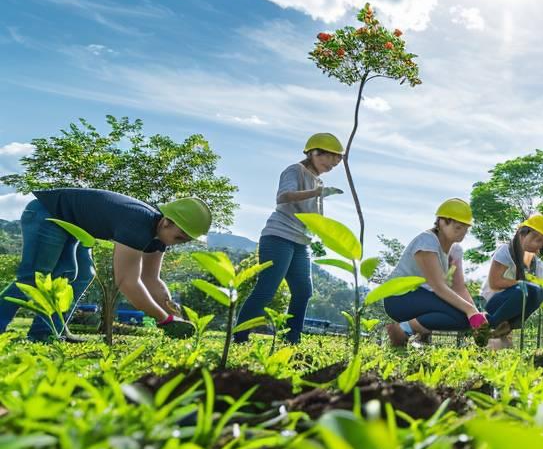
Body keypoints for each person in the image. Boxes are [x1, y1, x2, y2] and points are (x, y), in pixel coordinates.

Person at [0, 188, 211, 341]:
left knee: (81, 274)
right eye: (179, 238)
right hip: (47, 213)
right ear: (166, 222)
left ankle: (45, 333)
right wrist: (164, 320)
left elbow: (151, 279)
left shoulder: (159, 237)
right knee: (34, 277)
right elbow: (128, 282)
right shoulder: (137, 224)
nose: (178, 244)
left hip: (74, 226)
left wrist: (171, 310)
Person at [234, 133, 345, 344]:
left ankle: (291, 340)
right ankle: (240, 337)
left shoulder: (318, 182)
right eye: (327, 161)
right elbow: (283, 197)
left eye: (334, 165)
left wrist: (319, 236)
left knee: (303, 291)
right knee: (267, 288)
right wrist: (316, 192)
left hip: (301, 241)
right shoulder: (295, 170)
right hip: (279, 236)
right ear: (314, 152)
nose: (329, 167)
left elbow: (313, 217)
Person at [382, 198, 490, 347]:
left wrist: (475, 315)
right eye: (457, 227)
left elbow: (459, 288)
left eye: (465, 228)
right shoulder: (427, 242)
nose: (462, 232)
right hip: (398, 297)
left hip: (423, 296)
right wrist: (469, 310)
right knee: (460, 314)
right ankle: (401, 330)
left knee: (464, 319)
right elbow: (439, 286)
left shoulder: (455, 250)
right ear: (441, 222)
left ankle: (419, 337)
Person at [479, 214, 543, 349]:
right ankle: (488, 325)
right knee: (521, 291)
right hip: (493, 305)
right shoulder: (506, 251)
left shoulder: (538, 265)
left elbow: (536, 296)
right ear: (522, 235)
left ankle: (505, 329)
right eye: (535, 238)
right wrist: (519, 283)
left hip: (514, 312)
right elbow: (494, 282)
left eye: (541, 240)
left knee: (538, 292)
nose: (538, 244)